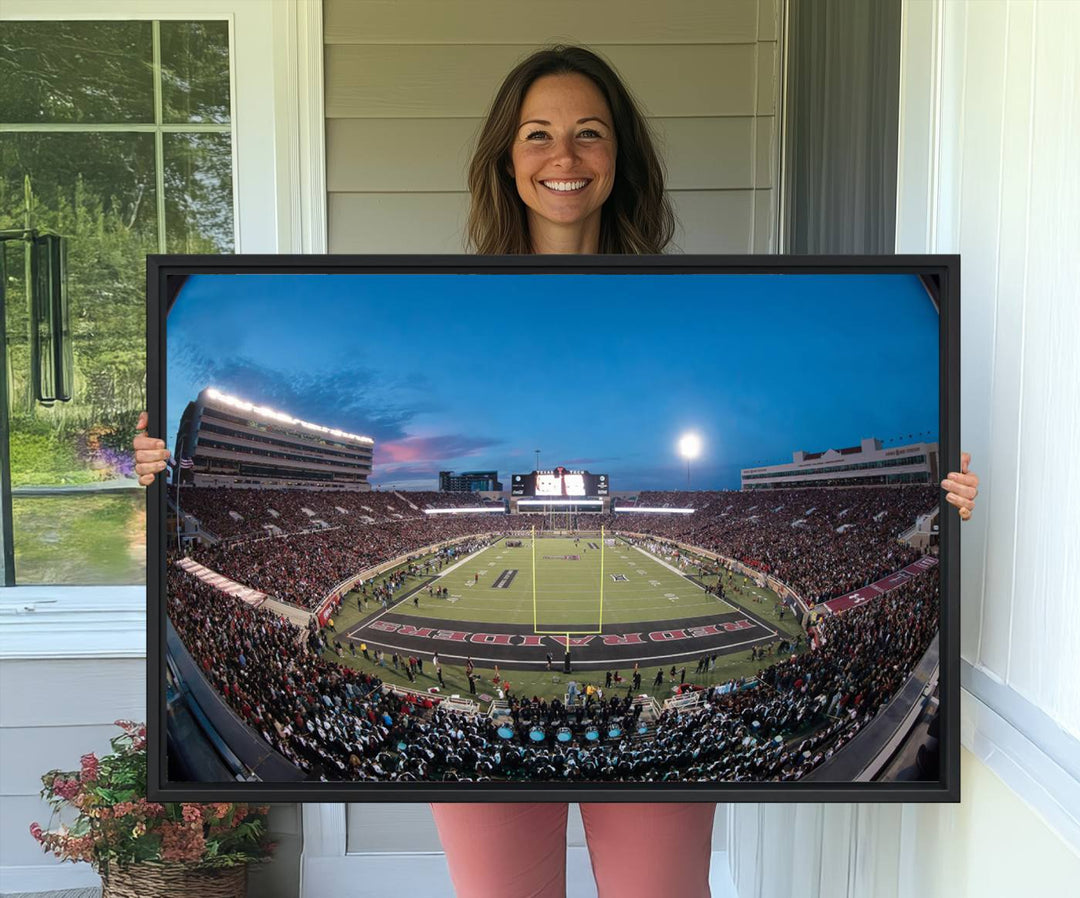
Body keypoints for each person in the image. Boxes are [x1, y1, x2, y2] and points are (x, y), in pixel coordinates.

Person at [133, 43, 981, 898]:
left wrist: (936, 496)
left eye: (589, 133)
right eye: (537, 134)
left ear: (621, 158)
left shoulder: (672, 301)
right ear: (507, 157)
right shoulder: (459, 296)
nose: (563, 157)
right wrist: (158, 467)